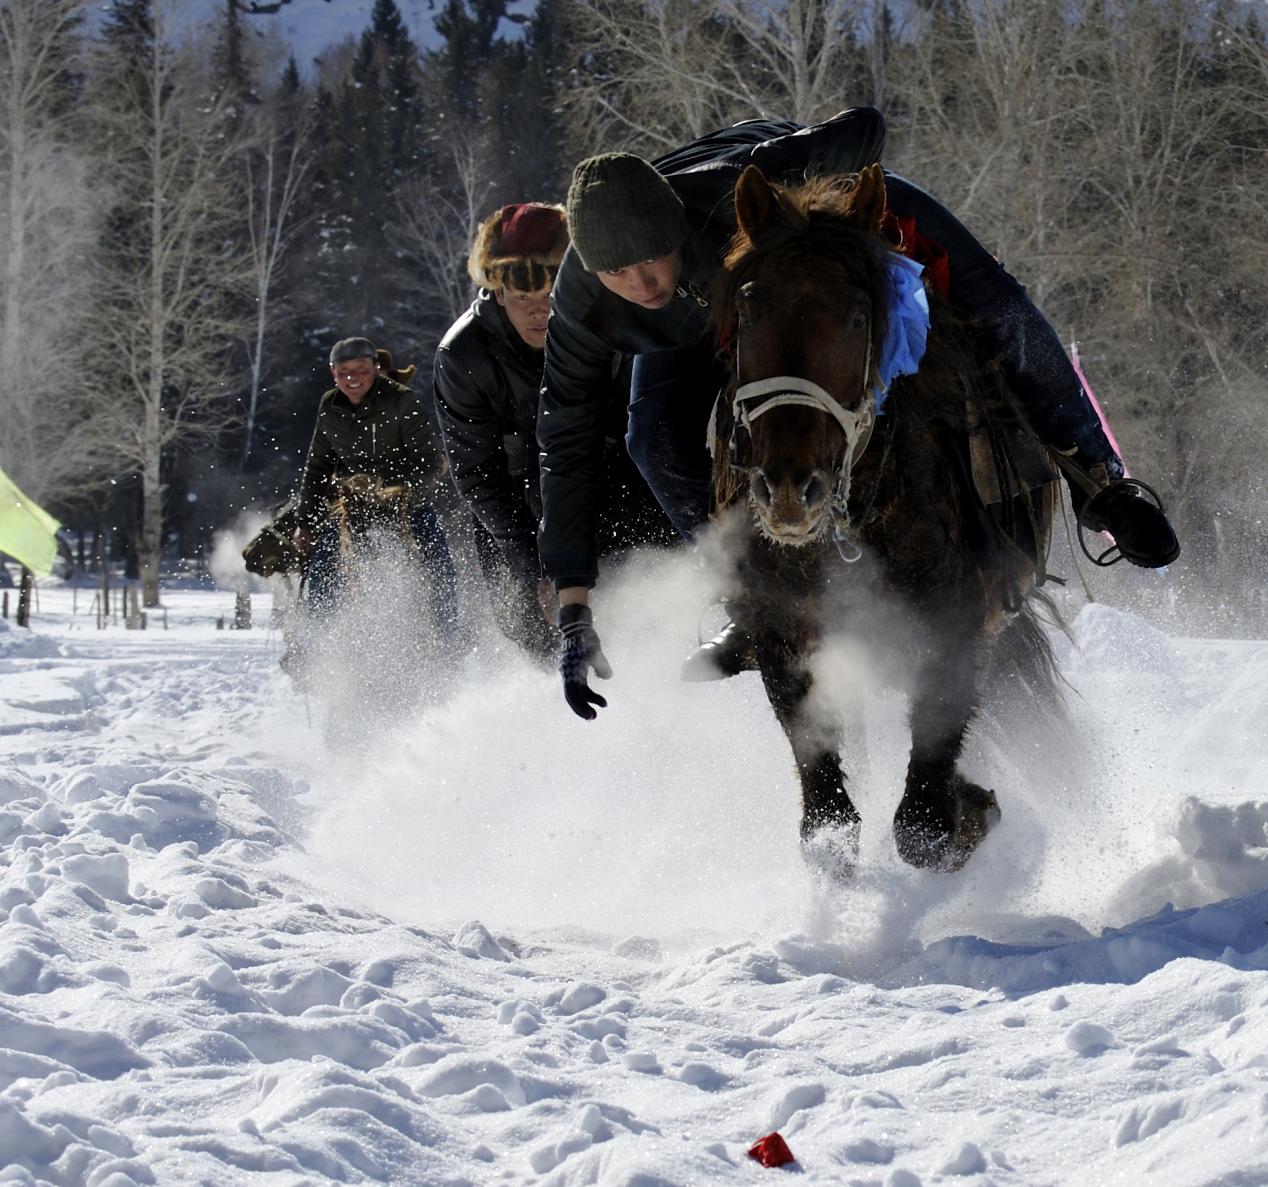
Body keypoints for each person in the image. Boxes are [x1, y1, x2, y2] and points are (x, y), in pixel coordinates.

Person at [539, 107, 1181, 720]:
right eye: (617, 272)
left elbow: (867, 128)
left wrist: (805, 160)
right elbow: (562, 440)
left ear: (676, 228)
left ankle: (1104, 487)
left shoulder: (747, 185)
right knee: (649, 438)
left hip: (816, 226)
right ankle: (749, 599)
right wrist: (574, 612)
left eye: (652, 255)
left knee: (998, 311)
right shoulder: (581, 301)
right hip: (704, 308)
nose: (641, 282)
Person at [434, 201, 673, 664]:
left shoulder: (612, 325)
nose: (539, 311)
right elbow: (479, 476)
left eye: (549, 295)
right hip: (519, 515)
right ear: (498, 292)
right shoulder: (463, 356)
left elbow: (645, 438)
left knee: (650, 607)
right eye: (522, 296)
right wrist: (536, 570)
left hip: (617, 489)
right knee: (535, 629)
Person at [287, 336, 460, 661]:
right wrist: (305, 523)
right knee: (322, 573)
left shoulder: (402, 400)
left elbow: (432, 461)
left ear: (376, 369)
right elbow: (318, 466)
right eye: (344, 371)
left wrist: (400, 491)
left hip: (407, 506)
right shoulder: (329, 406)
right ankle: (313, 654)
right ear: (333, 374)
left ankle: (448, 648)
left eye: (361, 370)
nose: (352, 378)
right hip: (354, 507)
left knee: (440, 572)